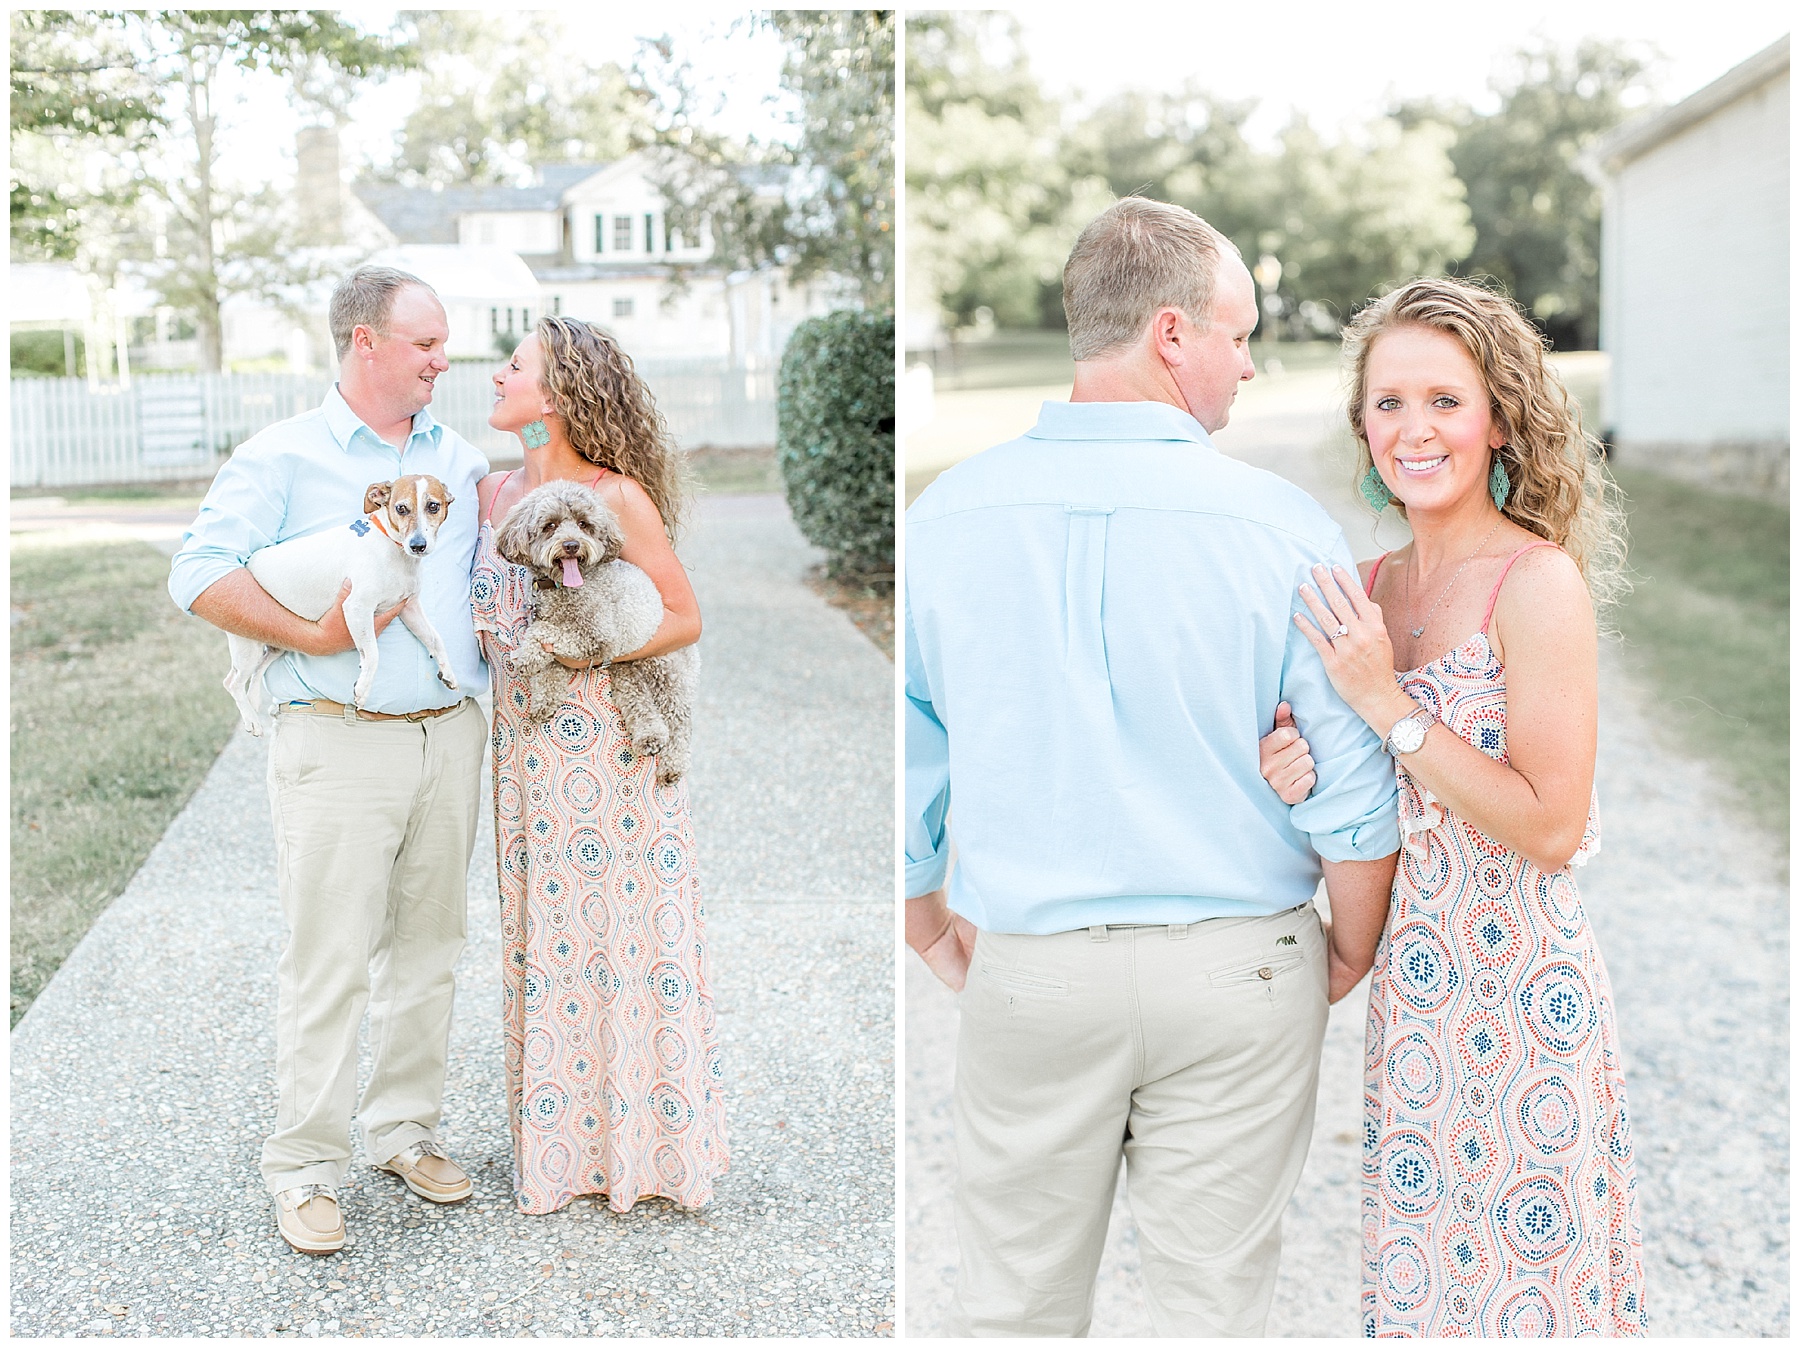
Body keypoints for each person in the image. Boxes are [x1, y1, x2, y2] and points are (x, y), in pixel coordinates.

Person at [904, 196, 1402, 1337]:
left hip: (1032, 970)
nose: (1249, 363)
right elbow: (1349, 776)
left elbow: (913, 750)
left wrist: (928, 918)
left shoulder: (947, 520)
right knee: (1213, 1311)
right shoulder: (1280, 526)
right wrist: (1350, 944)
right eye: (1239, 333)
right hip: (1241, 970)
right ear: (1172, 334)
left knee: (1012, 1308)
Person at [1258, 275, 1645, 1335]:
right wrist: (1293, 768)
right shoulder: (1364, 586)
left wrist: (1387, 708)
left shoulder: (1536, 584)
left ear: (1499, 420)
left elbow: (1551, 825)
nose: (1413, 429)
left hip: (1525, 999)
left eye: (1444, 400)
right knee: (1428, 1290)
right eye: (1389, 403)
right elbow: (1347, 795)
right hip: (1415, 1000)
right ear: (1361, 423)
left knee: (1532, 1298)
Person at [170, 266, 490, 1255]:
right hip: (334, 741)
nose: (445, 359)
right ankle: (305, 1166)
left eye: (445, 344)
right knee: (330, 960)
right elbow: (197, 574)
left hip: (451, 732)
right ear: (365, 342)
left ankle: (405, 1130)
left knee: (432, 952)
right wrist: (311, 639)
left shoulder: (464, 461)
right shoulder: (281, 456)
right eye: (426, 343)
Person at [472, 315, 727, 1215]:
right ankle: (562, 1148)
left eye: (515, 366)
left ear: (561, 393)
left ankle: (644, 1152)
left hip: (609, 757)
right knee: (549, 949)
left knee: (625, 945)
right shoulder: (491, 492)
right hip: (524, 764)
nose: (497, 376)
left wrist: (587, 657)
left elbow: (683, 617)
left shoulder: (615, 497)